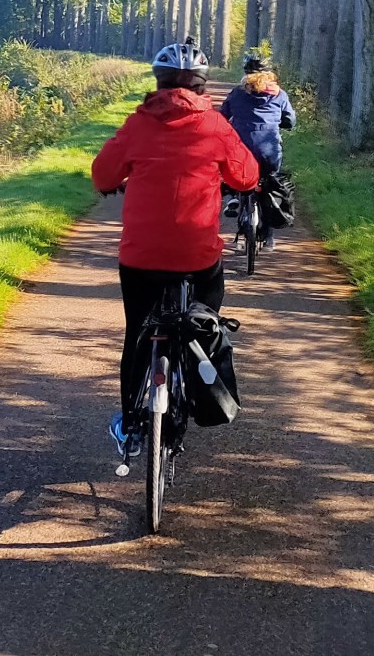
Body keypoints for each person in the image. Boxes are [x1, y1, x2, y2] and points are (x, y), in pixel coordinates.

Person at [91, 41, 259, 457]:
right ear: (202, 86)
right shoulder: (216, 126)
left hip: (141, 257)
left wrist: (120, 178)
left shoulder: (139, 123)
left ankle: (130, 423)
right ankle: (197, 386)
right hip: (197, 254)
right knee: (205, 323)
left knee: (137, 333)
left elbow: (102, 174)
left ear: (157, 81)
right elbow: (246, 176)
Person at [218, 56, 297, 250]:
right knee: (268, 185)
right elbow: (290, 121)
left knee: (234, 173)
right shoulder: (279, 95)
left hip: (241, 151)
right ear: (270, 74)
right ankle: (269, 238)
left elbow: (222, 116)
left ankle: (234, 198)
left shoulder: (237, 93)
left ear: (246, 73)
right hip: (269, 151)